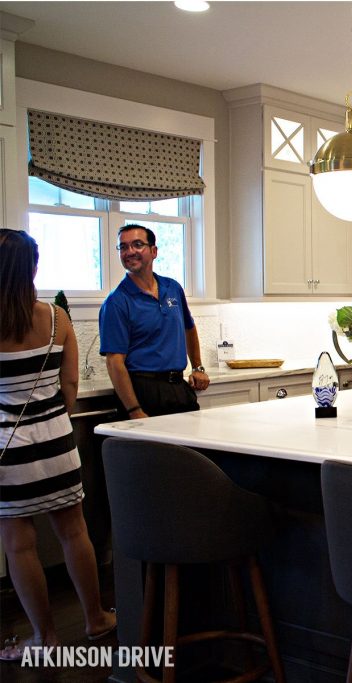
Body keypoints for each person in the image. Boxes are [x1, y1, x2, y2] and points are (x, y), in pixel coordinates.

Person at [0, 229, 117, 661]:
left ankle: (44, 638)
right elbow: (69, 389)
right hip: (56, 441)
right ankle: (95, 619)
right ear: (32, 269)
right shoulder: (56, 318)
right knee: (74, 532)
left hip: (8, 450)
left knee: (19, 544)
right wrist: (51, 418)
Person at [99, 224, 209, 418]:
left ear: (154, 251)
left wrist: (198, 367)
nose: (129, 252)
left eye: (137, 244)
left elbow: (189, 328)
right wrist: (134, 411)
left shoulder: (173, 287)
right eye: (123, 247)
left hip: (178, 388)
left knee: (190, 447)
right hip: (143, 392)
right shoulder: (116, 302)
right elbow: (115, 363)